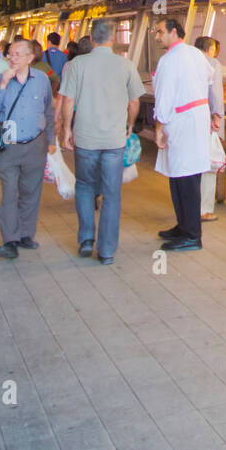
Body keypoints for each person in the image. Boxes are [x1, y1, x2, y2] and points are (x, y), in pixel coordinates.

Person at [58, 18, 143, 265]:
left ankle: (86, 239)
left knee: (84, 186)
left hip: (85, 138)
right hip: (114, 140)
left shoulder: (77, 65)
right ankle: (106, 250)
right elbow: (134, 101)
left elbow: (68, 102)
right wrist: (129, 124)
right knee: (112, 193)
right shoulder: (125, 65)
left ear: (92, 38)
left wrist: (66, 130)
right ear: (113, 37)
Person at [0, 37, 56, 260]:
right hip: (8, 146)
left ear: (30, 58)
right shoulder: (1, 79)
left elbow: (48, 111)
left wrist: (51, 140)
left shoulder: (42, 79)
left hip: (35, 144)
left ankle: (26, 234)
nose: (12, 57)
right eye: (10, 53)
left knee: (31, 192)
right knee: (8, 193)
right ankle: (10, 239)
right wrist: (4, 85)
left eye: (17, 54)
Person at [153, 18, 218, 251]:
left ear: (173, 31)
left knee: (186, 177)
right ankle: (183, 225)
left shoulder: (169, 60)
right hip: (193, 117)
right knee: (179, 174)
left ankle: (192, 234)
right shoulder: (195, 54)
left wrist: (159, 126)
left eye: (160, 32)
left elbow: (163, 95)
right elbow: (210, 78)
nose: (157, 36)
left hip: (182, 120)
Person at [194, 36, 224, 222]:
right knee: (208, 165)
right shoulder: (212, 63)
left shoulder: (188, 62)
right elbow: (216, 93)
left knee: (193, 163)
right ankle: (204, 209)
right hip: (205, 118)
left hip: (189, 120)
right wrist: (217, 115)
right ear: (210, 49)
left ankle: (190, 205)